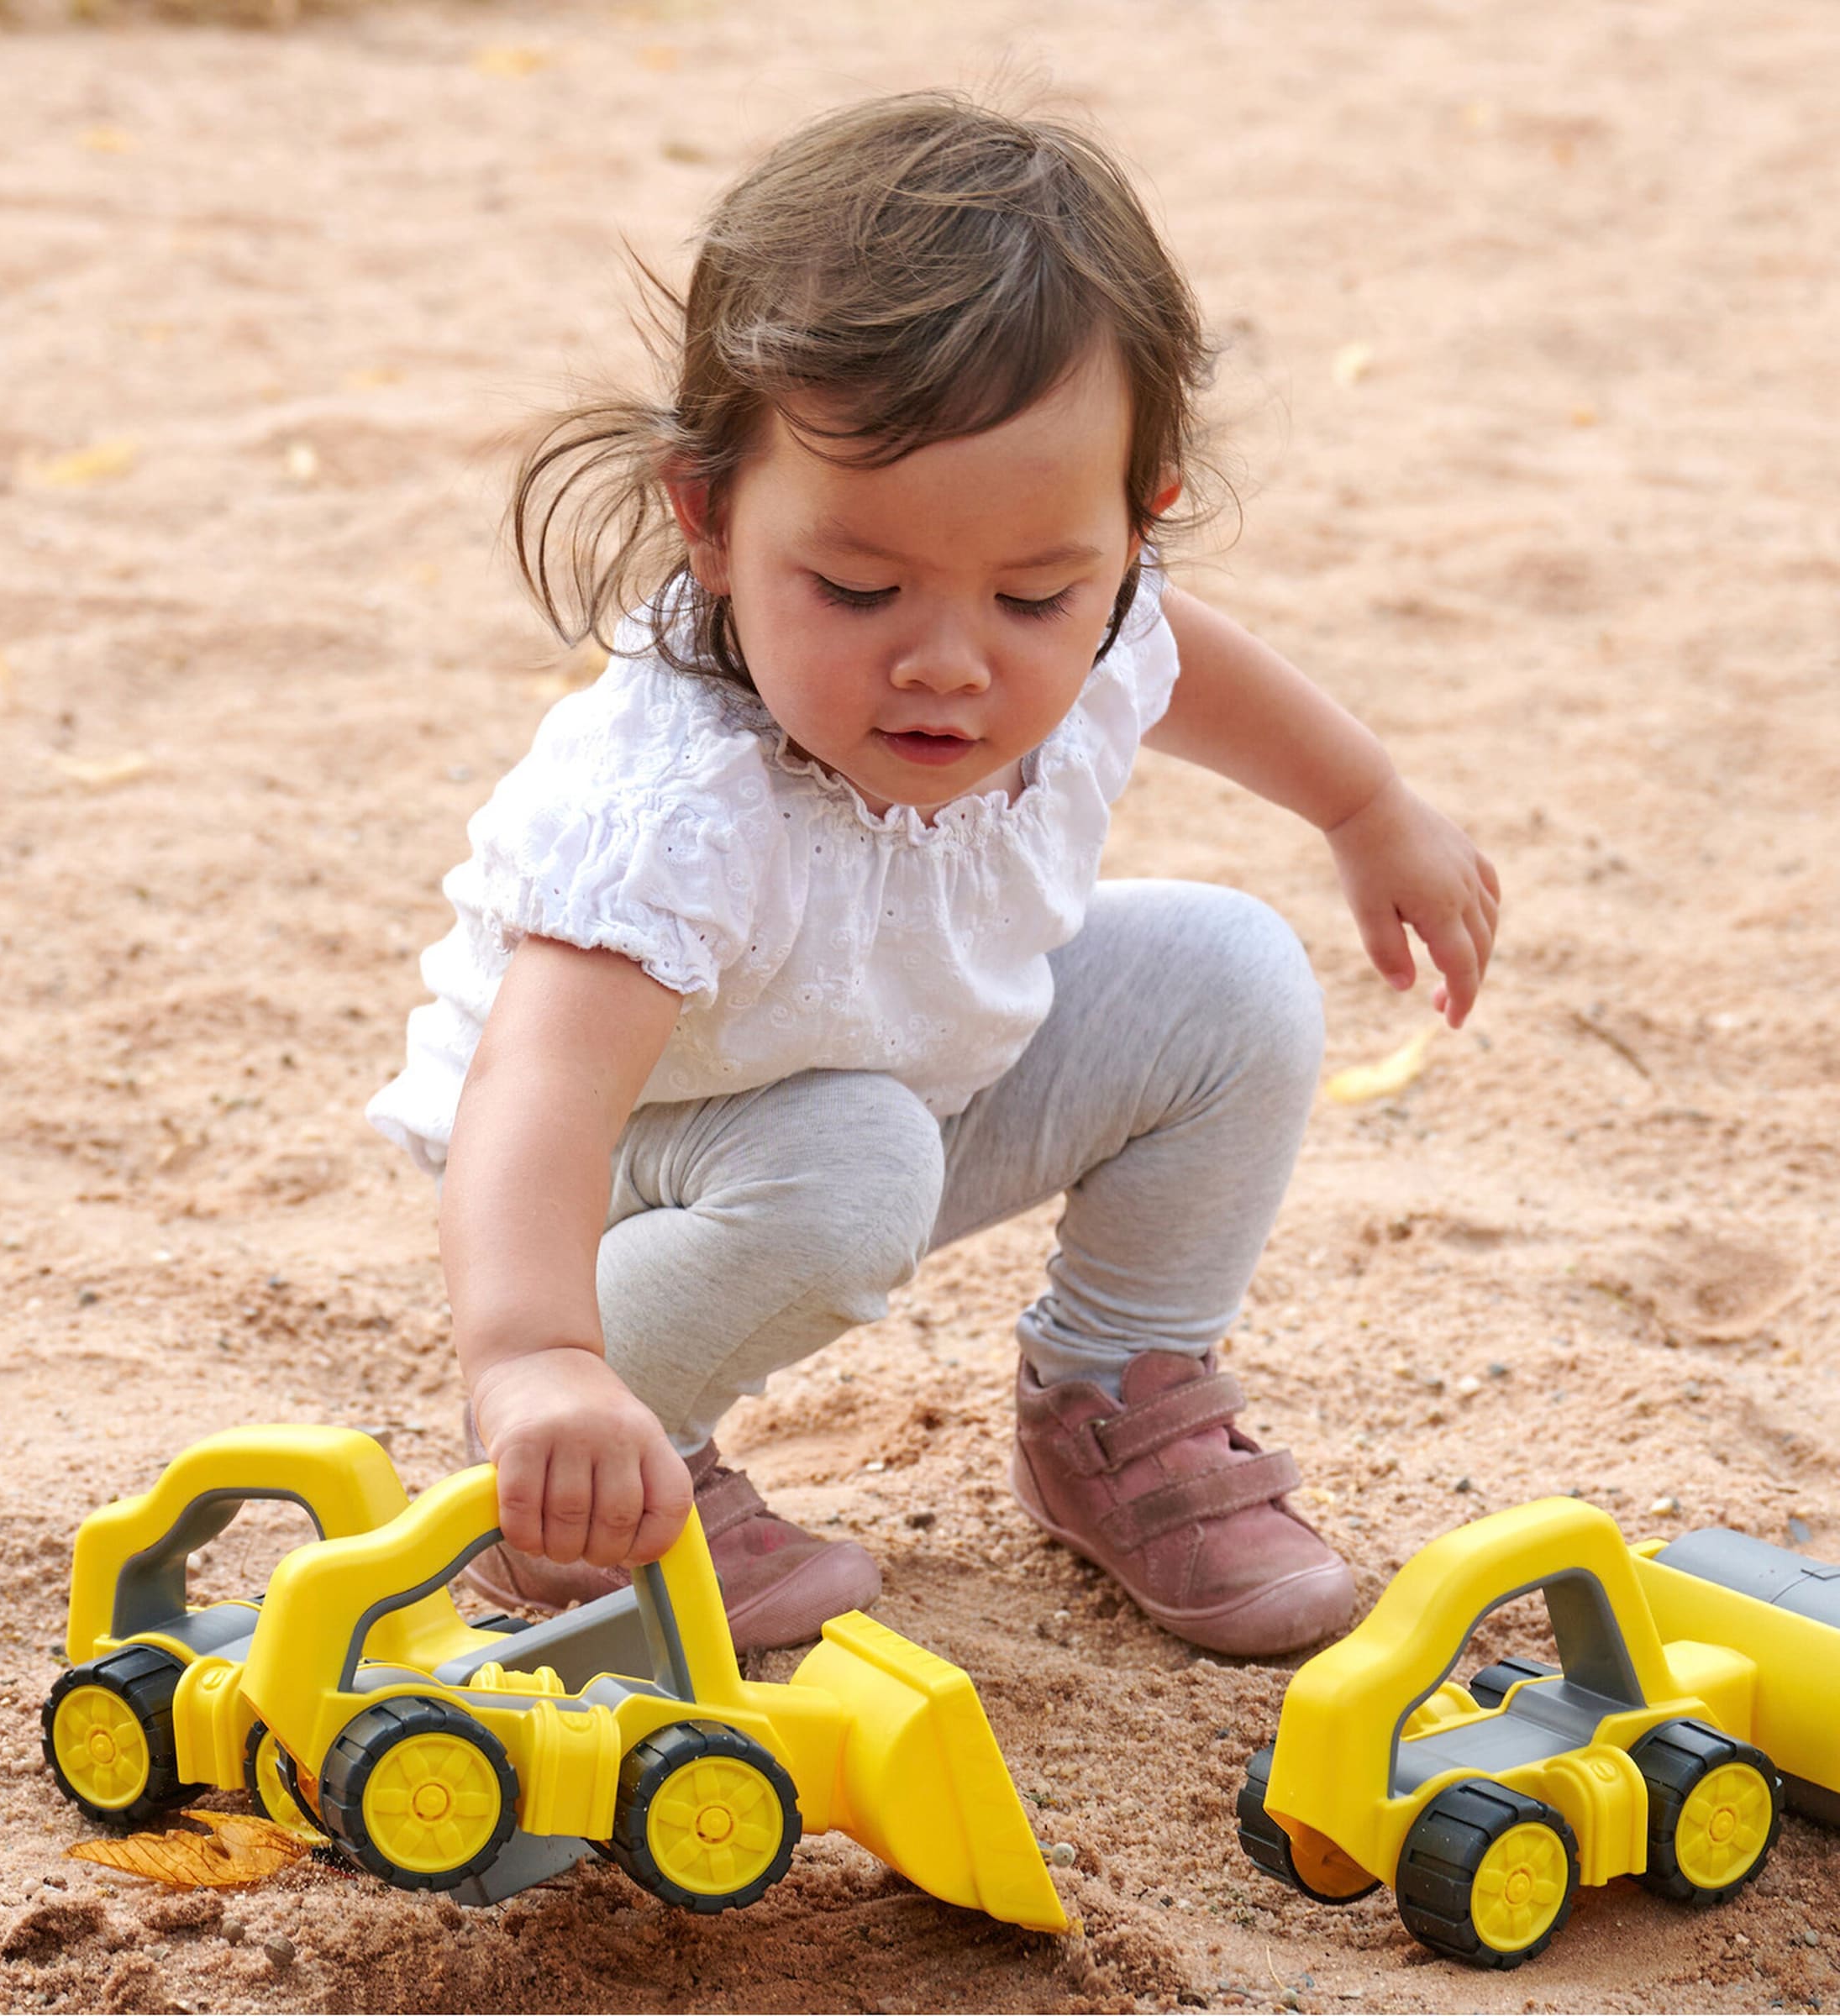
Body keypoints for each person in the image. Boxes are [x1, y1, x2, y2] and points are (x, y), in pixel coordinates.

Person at [367, 92, 1499, 1661]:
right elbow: (535, 1091)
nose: (949, 664)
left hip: (893, 1064)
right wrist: (537, 1355)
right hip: (623, 1165)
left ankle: (1114, 1403)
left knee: (1230, 978)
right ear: (709, 517)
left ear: (1130, 528)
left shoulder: (1096, 625)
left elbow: (1181, 666)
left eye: (1038, 592)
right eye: (855, 586)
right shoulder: (681, 805)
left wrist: (1368, 806)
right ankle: (599, 1492)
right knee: (853, 1159)